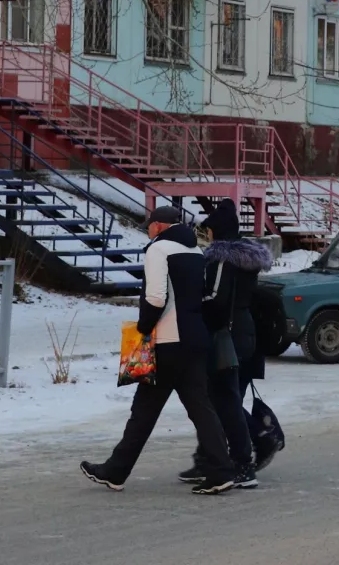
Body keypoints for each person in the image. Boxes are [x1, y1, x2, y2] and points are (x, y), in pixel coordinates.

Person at [82, 205, 239, 494]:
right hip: (194, 339)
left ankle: (116, 472)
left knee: (144, 410)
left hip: (168, 341)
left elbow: (155, 297)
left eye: (150, 225)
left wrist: (143, 329)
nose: (148, 229)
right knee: (200, 409)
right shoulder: (195, 251)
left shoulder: (158, 250)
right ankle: (221, 470)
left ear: (159, 226)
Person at [183, 198, 273, 487]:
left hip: (226, 336)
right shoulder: (246, 260)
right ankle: (212, 458)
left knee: (224, 401)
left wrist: (192, 307)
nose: (205, 234)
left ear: (215, 232)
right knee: (220, 400)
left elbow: (216, 299)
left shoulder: (222, 258)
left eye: (207, 229)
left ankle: (243, 462)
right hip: (243, 334)